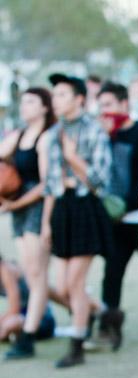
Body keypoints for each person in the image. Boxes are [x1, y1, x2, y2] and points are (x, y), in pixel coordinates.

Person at [41, 73, 112, 368]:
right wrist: (46, 223)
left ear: (79, 99)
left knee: (74, 283)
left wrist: (73, 158)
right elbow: (50, 184)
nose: (55, 100)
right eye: (54, 94)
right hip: (62, 209)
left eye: (62, 94)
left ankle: (77, 345)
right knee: (61, 286)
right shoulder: (53, 133)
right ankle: (104, 312)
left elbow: (101, 181)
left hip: (85, 207)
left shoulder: (93, 130)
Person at [97, 81, 138, 349]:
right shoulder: (103, 137)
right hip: (116, 223)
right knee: (111, 275)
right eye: (100, 106)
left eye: (109, 105)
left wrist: (125, 203)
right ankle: (108, 327)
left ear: (124, 104)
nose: (104, 111)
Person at [0, 87, 55, 359]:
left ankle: (28, 336)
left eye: (31, 102)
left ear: (45, 107)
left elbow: (47, 184)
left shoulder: (46, 137)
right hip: (20, 208)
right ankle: (91, 310)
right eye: (23, 102)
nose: (24, 106)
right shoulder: (18, 136)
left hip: (38, 207)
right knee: (32, 274)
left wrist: (16, 204)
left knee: (36, 273)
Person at [0, 257, 55, 342]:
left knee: (10, 323)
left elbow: (15, 310)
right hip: (23, 317)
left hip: (41, 321)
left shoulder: (4, 270)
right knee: (8, 323)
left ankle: (15, 335)